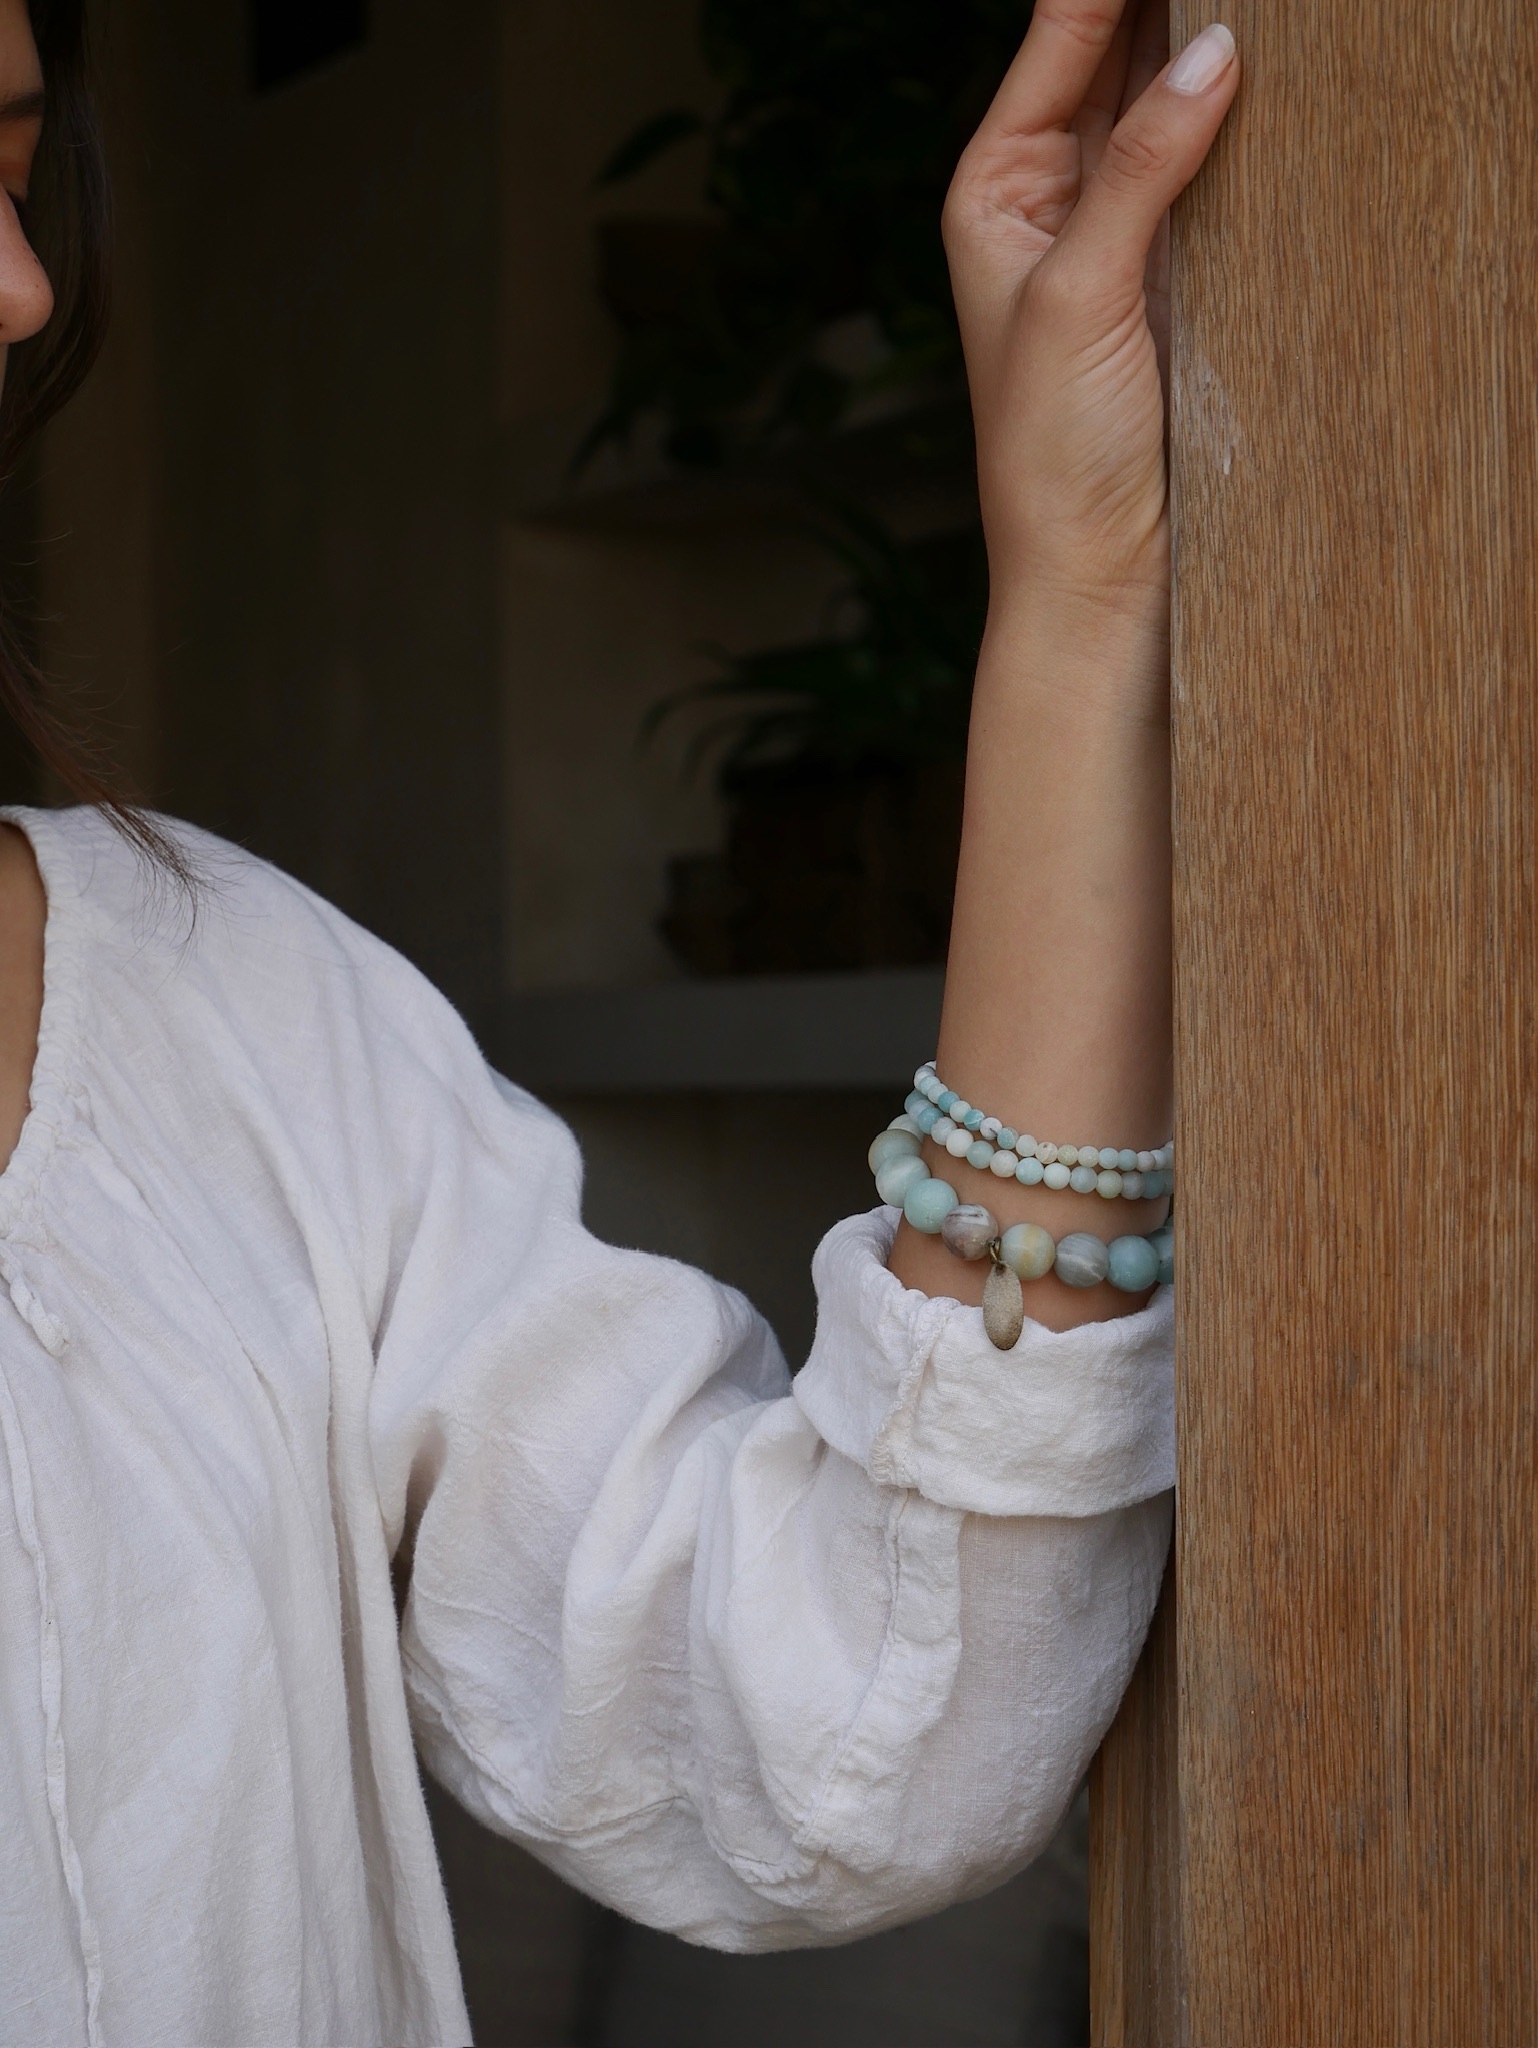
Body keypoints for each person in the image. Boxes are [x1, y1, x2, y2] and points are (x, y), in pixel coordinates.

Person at [0, 1, 1239, 2042]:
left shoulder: (233, 1007)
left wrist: (1084, 601)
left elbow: (858, 1744)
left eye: (9, 162)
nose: (24, 288)